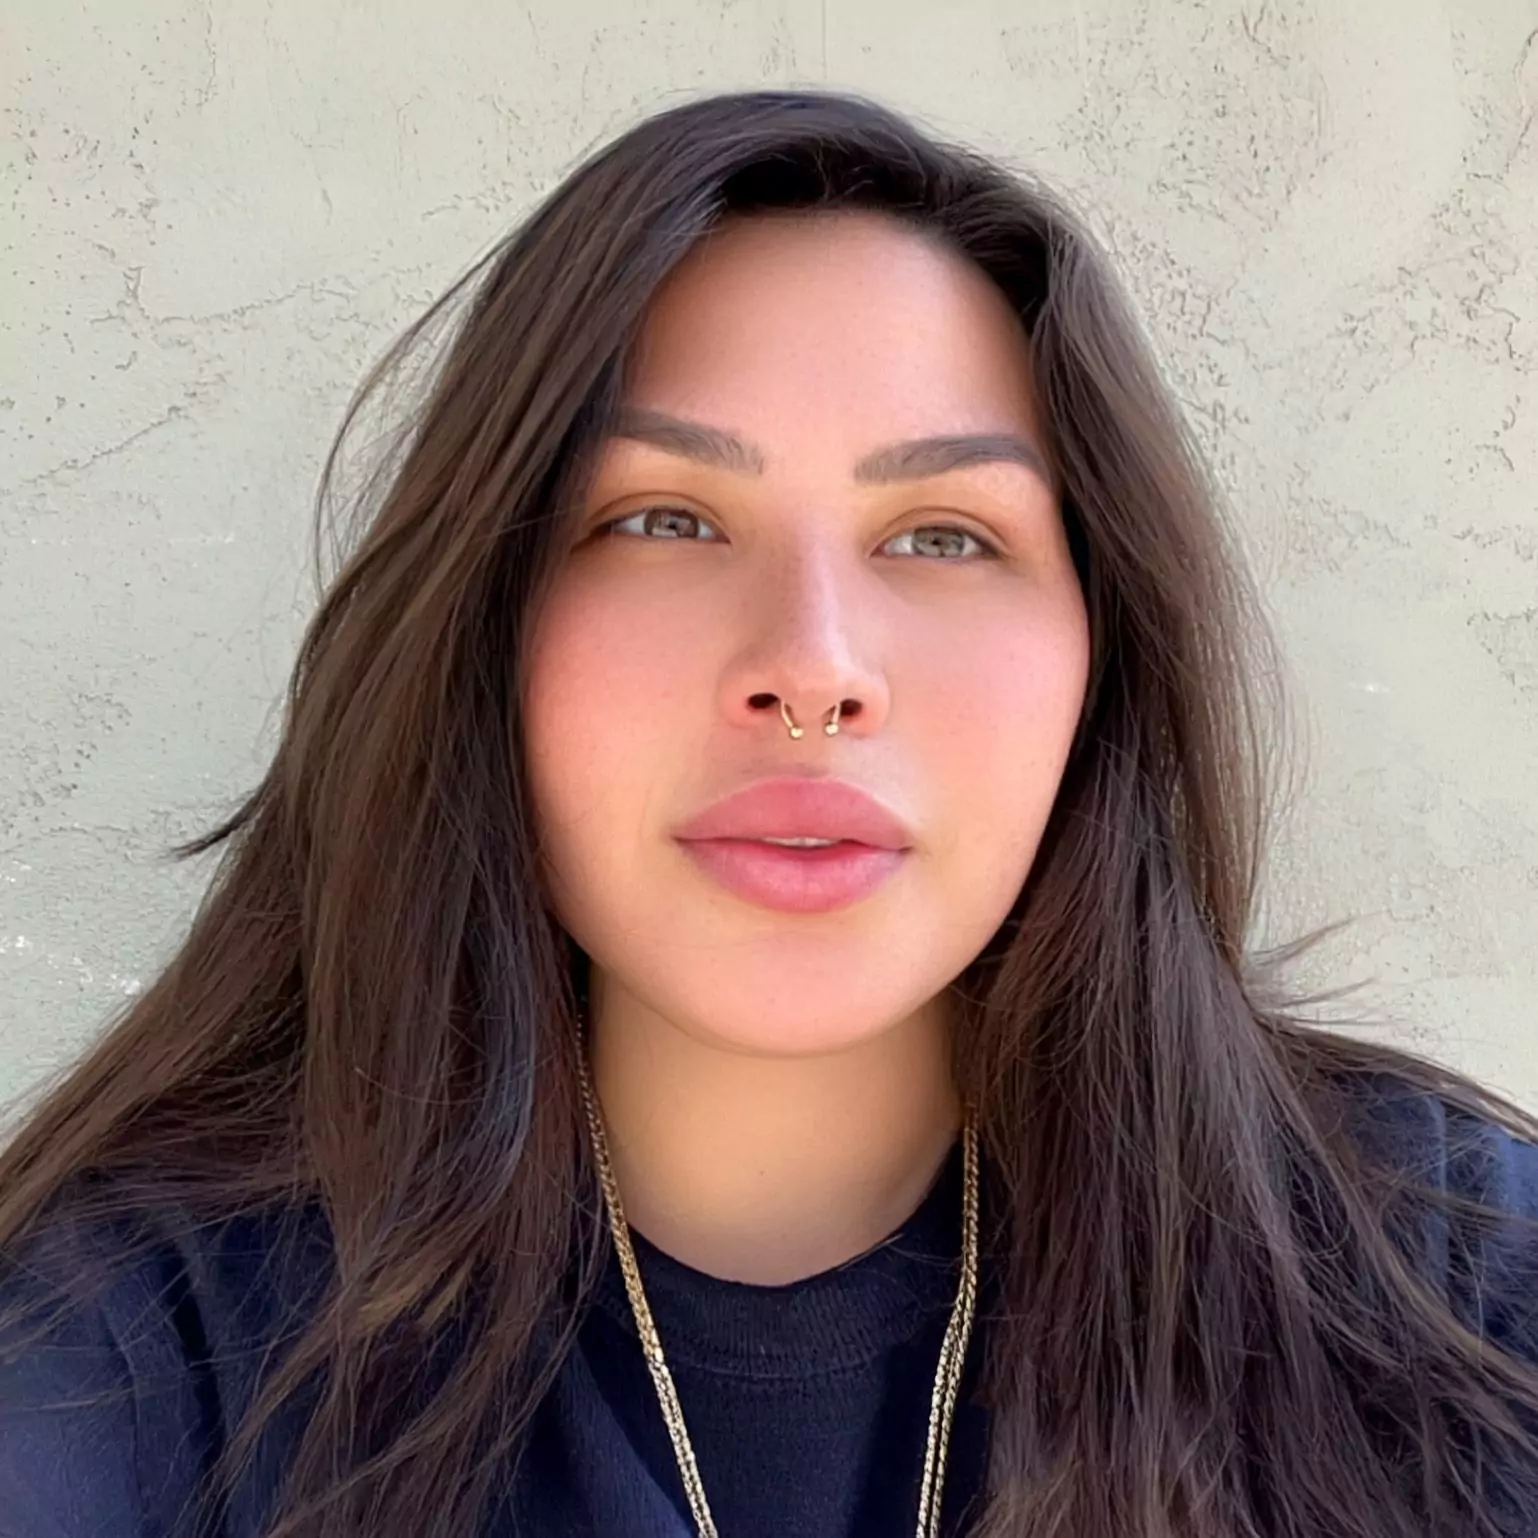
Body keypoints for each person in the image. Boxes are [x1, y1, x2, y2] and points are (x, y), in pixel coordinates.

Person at [1, 86, 1536, 1538]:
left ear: (1100, 655)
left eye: (941, 534)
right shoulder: (142, 1343)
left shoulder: (1442, 1283)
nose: (812, 665)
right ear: (488, 626)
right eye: (662, 519)